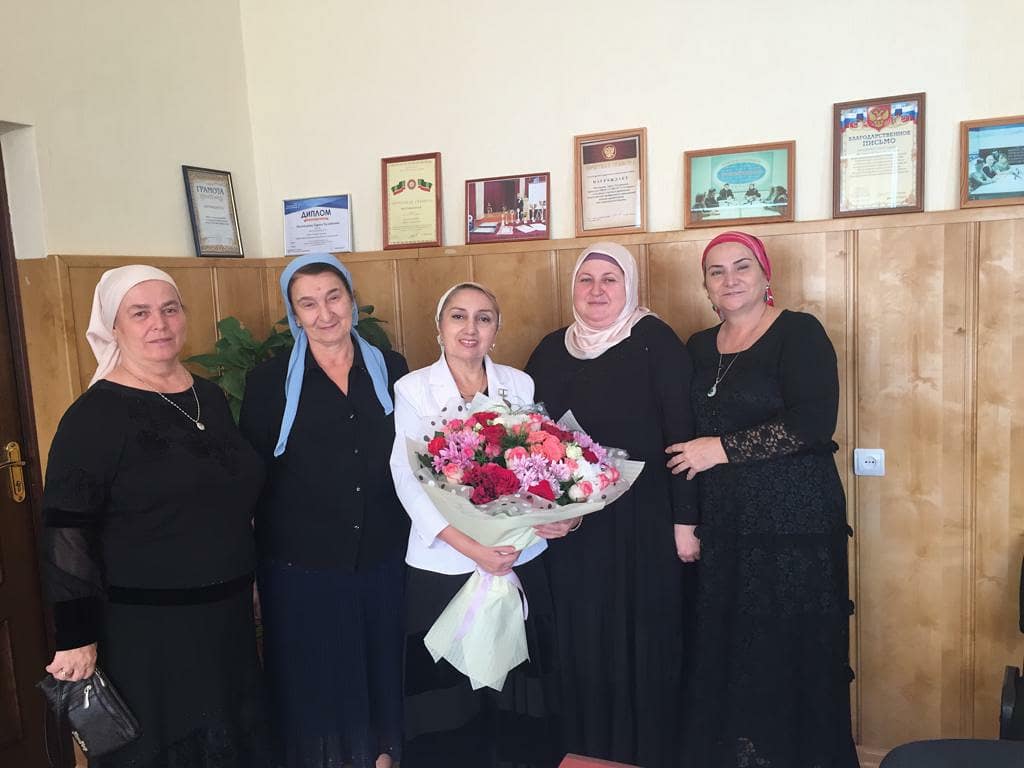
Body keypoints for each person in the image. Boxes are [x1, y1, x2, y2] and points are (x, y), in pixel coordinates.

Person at [39, 265, 269, 768]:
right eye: (139, 313)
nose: (159, 324)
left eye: (169, 309)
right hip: (146, 632)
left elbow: (229, 499)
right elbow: (67, 530)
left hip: (225, 620)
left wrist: (249, 578)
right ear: (113, 327)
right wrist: (76, 637)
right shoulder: (94, 416)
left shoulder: (207, 396)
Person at [668, 231, 858, 767]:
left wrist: (721, 449)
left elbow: (813, 422)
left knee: (787, 645)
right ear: (705, 285)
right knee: (731, 646)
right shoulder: (698, 346)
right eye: (717, 271)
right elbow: (685, 437)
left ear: (765, 274)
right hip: (726, 522)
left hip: (793, 522)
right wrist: (688, 517)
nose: (730, 279)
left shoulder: (799, 332)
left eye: (742, 266)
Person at [525, 243, 699, 768]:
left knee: (640, 634)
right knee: (580, 634)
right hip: (572, 528)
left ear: (630, 285)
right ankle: (583, 747)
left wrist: (686, 520)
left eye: (609, 279)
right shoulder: (550, 349)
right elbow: (528, 435)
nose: (596, 290)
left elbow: (682, 436)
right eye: (586, 279)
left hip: (643, 522)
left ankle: (643, 752)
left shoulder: (655, 342)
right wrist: (542, 511)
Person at [239, 253, 409, 768]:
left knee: (382, 671)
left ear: (352, 300)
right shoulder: (268, 383)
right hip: (301, 564)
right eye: (308, 304)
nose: (325, 313)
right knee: (314, 681)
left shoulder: (392, 369)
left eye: (334, 297)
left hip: (383, 554)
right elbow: (251, 482)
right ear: (294, 314)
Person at [390, 282, 560, 768]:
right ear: (439, 328)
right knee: (448, 696)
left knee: (512, 687)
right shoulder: (413, 388)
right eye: (458, 316)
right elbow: (407, 477)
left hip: (515, 557)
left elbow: (541, 467)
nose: (471, 328)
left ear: (496, 329)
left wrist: (556, 520)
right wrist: (471, 547)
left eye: (484, 318)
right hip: (444, 562)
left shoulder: (519, 384)